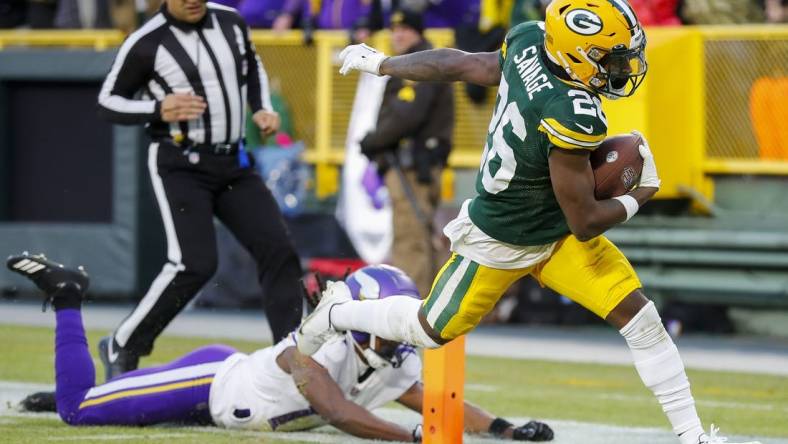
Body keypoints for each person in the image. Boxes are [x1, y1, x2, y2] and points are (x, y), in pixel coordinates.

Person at [296, 1, 762, 444]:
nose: (621, 68)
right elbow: (585, 221)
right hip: (502, 238)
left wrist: (385, 64)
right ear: (577, 55)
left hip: (551, 230)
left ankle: (693, 435)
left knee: (640, 319)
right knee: (429, 328)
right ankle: (336, 310)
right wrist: (642, 193)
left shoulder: (531, 42)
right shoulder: (572, 113)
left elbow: (462, 64)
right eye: (610, 59)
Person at [6, 253, 554, 442]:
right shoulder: (320, 346)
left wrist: (505, 427)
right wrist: (414, 437)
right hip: (213, 383)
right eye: (387, 321)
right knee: (78, 411)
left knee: (112, 403)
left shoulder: (389, 355)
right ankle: (69, 296)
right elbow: (335, 410)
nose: (397, 332)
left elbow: (436, 399)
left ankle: (97, 388)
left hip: (232, 403)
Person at [96, 0, 304, 380]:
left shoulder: (230, 20)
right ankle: (123, 343)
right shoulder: (146, 41)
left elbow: (251, 65)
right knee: (194, 264)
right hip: (181, 164)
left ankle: (289, 359)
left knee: (279, 250)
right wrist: (158, 108)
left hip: (233, 163)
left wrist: (260, 106)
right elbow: (107, 101)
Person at [357, 10, 454, 297]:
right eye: (394, 29)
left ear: (418, 33)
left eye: (405, 29)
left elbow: (407, 115)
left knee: (411, 240)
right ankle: (435, 310)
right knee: (424, 236)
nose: (398, 35)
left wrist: (372, 141)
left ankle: (412, 312)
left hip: (411, 168)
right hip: (418, 165)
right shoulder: (423, 60)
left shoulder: (418, 63)